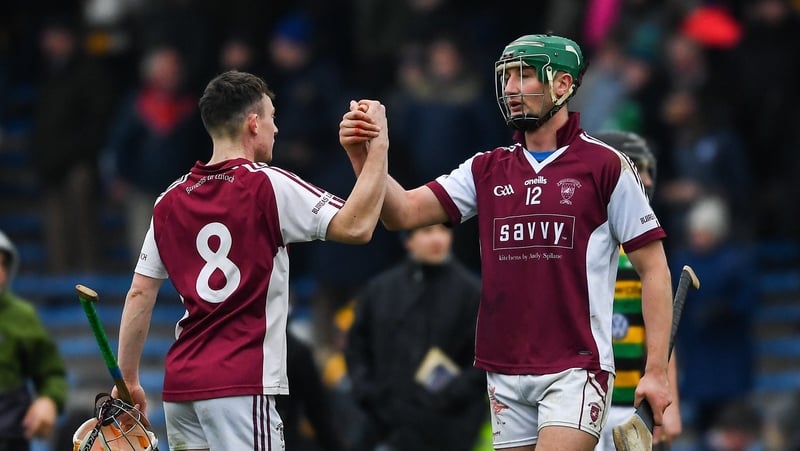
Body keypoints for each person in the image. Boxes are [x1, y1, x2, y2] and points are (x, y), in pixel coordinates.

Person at [340, 33, 675, 451]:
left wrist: (656, 371)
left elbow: (654, 270)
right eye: (507, 78)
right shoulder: (486, 168)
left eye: (525, 77)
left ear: (563, 85)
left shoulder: (605, 166)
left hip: (575, 367)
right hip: (503, 369)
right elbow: (402, 212)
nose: (512, 89)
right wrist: (367, 159)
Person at [114, 70, 388, 450]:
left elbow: (139, 295)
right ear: (254, 123)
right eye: (273, 118)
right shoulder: (267, 184)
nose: (277, 129)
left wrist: (127, 380)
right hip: (240, 384)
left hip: (181, 389)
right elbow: (357, 227)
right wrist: (379, 150)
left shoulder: (168, 200)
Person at [345, 224, 486, 451]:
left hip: (447, 429)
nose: (438, 239)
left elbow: (483, 360)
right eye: (427, 231)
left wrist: (447, 397)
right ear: (407, 240)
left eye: (444, 230)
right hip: (382, 424)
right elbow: (357, 348)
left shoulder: (471, 293)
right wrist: (368, 392)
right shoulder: (380, 289)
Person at [591, 131, 682, 450]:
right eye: (634, 167)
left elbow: (660, 334)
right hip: (579, 403)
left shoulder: (645, 254)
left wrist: (670, 408)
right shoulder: (581, 243)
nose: (643, 178)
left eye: (647, 170)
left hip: (631, 407)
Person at [0, 229, 68, 451]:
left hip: (9, 437)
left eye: (3, 265)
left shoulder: (22, 316)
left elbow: (52, 374)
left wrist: (48, 400)